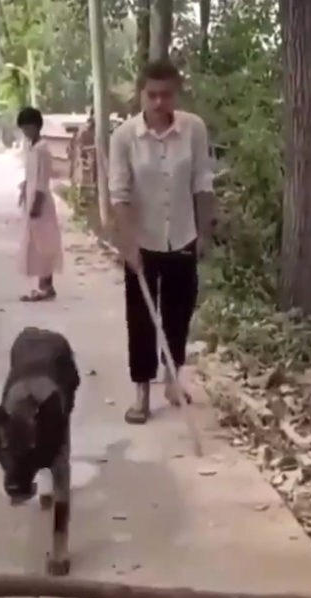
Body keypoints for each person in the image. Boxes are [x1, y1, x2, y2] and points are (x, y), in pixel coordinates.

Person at [108, 59, 217, 425]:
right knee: (140, 318)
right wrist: (128, 243)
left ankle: (173, 380)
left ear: (176, 93)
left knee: (178, 313)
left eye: (165, 95)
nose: (158, 103)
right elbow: (119, 193)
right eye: (151, 95)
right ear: (141, 95)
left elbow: (203, 183)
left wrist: (204, 231)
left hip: (183, 235)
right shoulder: (124, 137)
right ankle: (141, 391)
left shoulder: (194, 130)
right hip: (142, 240)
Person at [15, 106, 64, 302]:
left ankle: (47, 285)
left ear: (36, 127)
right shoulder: (29, 147)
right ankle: (43, 284)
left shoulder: (43, 149)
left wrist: (37, 202)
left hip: (40, 202)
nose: (25, 132)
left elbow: (43, 179)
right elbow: (30, 174)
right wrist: (25, 191)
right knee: (34, 243)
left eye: (28, 128)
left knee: (45, 243)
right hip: (30, 197)